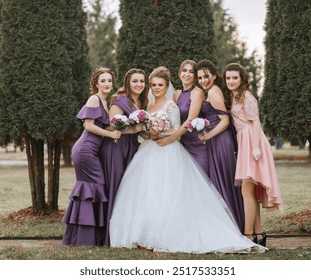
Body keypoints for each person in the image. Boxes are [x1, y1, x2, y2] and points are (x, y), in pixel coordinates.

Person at [109, 66, 264, 253]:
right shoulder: (147, 107)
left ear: (167, 87)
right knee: (148, 191)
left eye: (161, 85)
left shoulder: (171, 105)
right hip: (149, 150)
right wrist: (149, 133)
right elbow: (143, 131)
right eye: (154, 85)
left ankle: (169, 232)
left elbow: (176, 128)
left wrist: (163, 133)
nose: (157, 88)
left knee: (168, 192)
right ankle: (144, 231)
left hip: (168, 150)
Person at [223, 63, 282, 246]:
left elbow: (255, 122)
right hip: (244, 141)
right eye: (228, 78)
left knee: (246, 190)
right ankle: (259, 233)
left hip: (251, 141)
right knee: (250, 193)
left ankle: (248, 236)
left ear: (242, 79)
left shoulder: (247, 96)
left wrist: (255, 147)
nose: (231, 81)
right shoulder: (235, 96)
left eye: (235, 78)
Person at [62, 67, 121, 246]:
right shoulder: (94, 99)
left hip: (92, 151)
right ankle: (84, 238)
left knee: (93, 190)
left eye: (109, 80)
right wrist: (110, 135)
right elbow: (88, 126)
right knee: (91, 189)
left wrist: (127, 125)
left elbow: (106, 125)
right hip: (85, 150)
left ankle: (87, 236)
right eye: (103, 81)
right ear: (96, 84)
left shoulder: (105, 102)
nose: (107, 84)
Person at [99, 68, 149, 246]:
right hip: (117, 148)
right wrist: (133, 129)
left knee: (128, 190)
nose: (139, 85)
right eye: (135, 81)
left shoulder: (140, 102)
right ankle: (112, 235)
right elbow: (111, 127)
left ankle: (127, 231)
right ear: (128, 83)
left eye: (142, 81)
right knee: (117, 187)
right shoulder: (121, 100)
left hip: (131, 148)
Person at [196, 59, 245, 233]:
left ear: (214, 75)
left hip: (220, 141)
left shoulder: (213, 93)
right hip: (217, 141)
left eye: (206, 76)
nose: (203, 80)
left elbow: (225, 121)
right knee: (222, 181)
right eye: (200, 77)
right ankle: (232, 225)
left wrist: (207, 135)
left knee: (223, 181)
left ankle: (232, 228)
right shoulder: (211, 91)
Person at [156, 60, 208, 174]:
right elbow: (173, 119)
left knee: (201, 178)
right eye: (184, 70)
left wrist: (170, 139)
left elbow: (190, 120)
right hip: (181, 144)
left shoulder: (197, 93)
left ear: (195, 76)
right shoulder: (176, 94)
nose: (187, 74)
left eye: (191, 72)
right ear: (180, 73)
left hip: (197, 143)